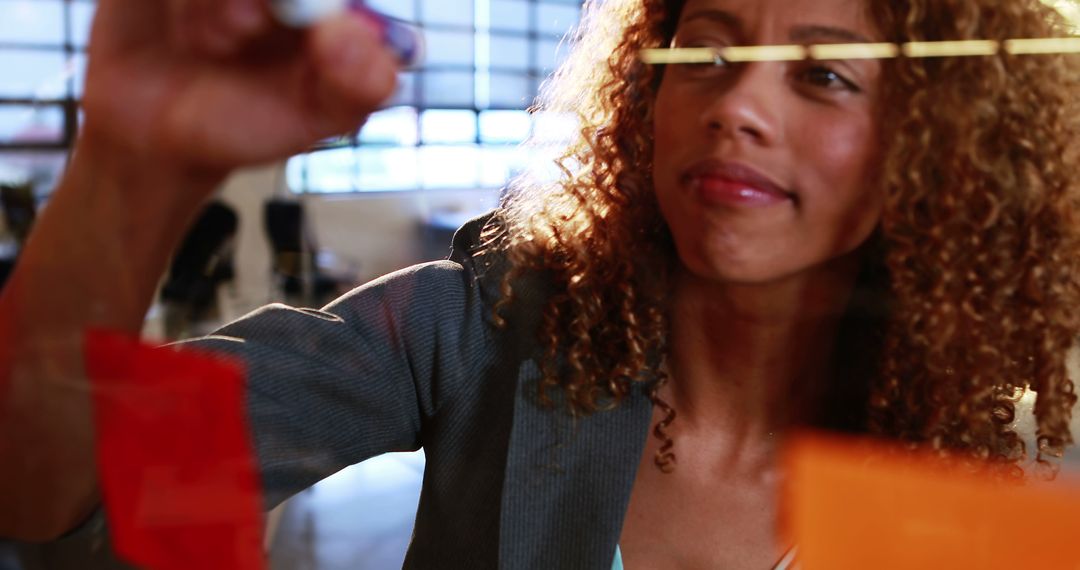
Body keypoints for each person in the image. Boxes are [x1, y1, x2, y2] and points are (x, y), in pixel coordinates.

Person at [1, 0, 1079, 568]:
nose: (738, 105)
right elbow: (61, 496)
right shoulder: (488, 324)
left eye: (824, 77)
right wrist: (128, 168)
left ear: (936, 147)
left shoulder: (978, 469)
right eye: (702, 53)